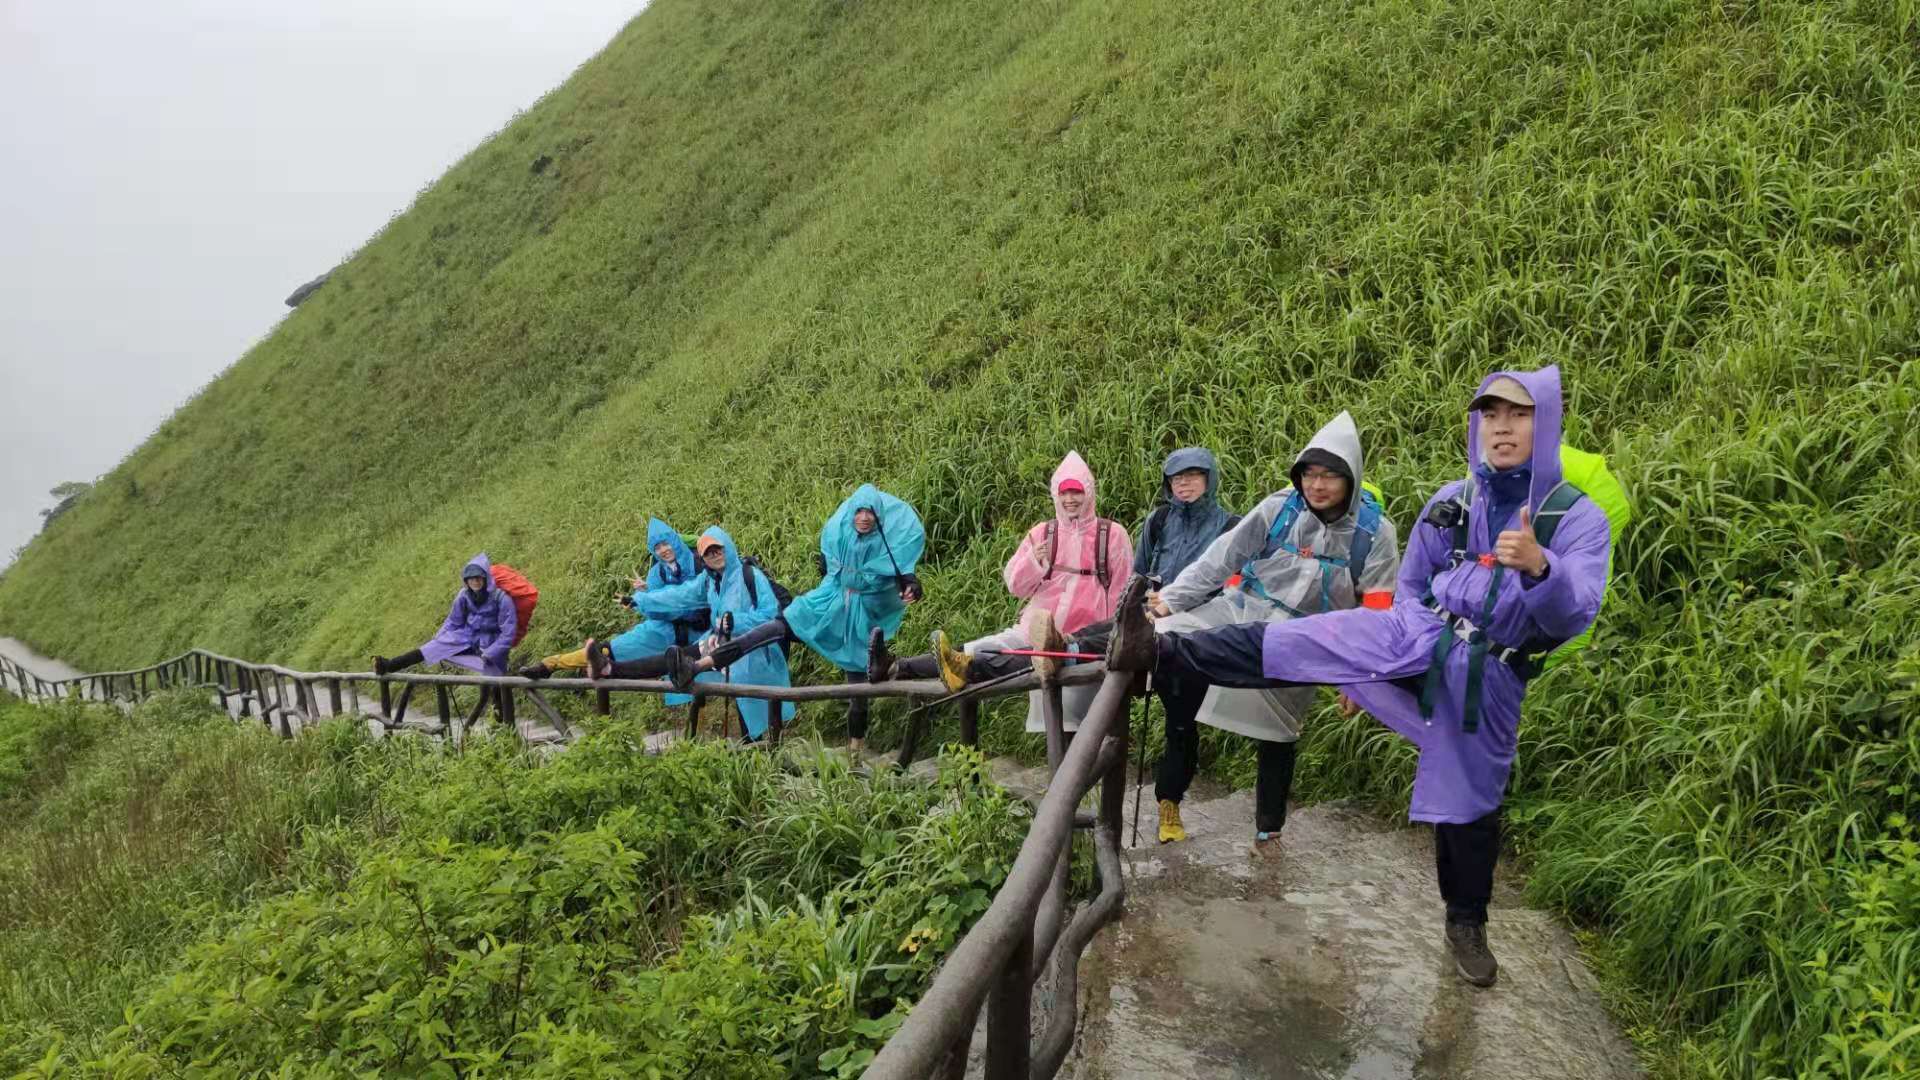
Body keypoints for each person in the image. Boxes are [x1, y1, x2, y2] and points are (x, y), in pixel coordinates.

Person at [1128, 366, 1611, 988]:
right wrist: (1367, 661)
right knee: (1297, 642)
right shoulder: (1451, 501)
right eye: (1490, 415)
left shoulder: (1573, 517)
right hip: (1418, 631)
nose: (1502, 427)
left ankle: (1466, 923)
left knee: (1469, 799)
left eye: (1518, 415)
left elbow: (1575, 611)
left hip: (1489, 670)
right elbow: (1409, 586)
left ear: (1544, 424)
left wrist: (1542, 569)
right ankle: (1159, 654)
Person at [1144, 413, 1400, 848]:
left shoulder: (1374, 535)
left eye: (1330, 475)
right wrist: (1172, 599)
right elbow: (1223, 557)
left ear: (1352, 478)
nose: (1317, 485)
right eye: (1309, 473)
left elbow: (1376, 610)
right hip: (1242, 613)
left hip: (1304, 640)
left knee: (1277, 734)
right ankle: (1170, 801)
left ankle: (1269, 834)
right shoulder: (1280, 507)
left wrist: (1360, 678)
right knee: (1169, 654)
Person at [641, 485, 925, 752]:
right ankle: (699, 664)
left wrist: (911, 589)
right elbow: (828, 567)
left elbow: (906, 579)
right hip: (825, 604)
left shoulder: (887, 551)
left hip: (858, 620)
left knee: (859, 689)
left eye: (870, 512)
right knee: (771, 629)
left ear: (879, 516)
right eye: (859, 511)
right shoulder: (841, 537)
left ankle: (855, 751)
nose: (863, 518)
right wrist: (640, 599)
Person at [873, 452, 1132, 734]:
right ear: (1055, 494)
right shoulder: (1042, 533)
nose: (1070, 499)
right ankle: (896, 666)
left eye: (1077, 492)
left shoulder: (1113, 535)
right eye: (1064, 492)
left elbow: (1123, 591)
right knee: (974, 650)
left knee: (1081, 723)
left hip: (1082, 637)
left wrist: (1110, 634)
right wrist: (1034, 561)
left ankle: (1071, 773)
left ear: (1089, 493)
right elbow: (1015, 585)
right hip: (1036, 629)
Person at [586, 527, 796, 742]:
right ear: (702, 557)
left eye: (717, 549)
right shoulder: (709, 580)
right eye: (708, 553)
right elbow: (678, 595)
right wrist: (641, 600)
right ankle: (610, 668)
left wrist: (736, 621)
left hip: (755, 649)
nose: (714, 555)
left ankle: (761, 752)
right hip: (722, 643)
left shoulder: (750, 575)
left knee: (752, 700)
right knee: (676, 661)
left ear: (728, 548)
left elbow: (770, 615)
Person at [519, 518, 715, 709]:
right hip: (665, 629)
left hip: (702, 630)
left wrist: (648, 598)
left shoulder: (699, 563)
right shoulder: (657, 573)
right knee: (610, 650)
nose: (663, 550)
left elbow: (689, 595)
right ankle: (550, 664)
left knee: (706, 676)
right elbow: (654, 605)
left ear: (674, 541)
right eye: (657, 548)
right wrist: (644, 597)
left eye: (665, 544)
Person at [373, 552, 518, 677]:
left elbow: (508, 633)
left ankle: (502, 709)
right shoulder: (464, 595)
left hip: (491, 641)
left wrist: (492, 652)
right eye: (471, 578)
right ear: (466, 580)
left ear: (485, 577)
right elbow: (454, 621)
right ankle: (389, 665)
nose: (475, 581)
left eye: (478, 578)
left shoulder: (502, 599)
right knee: (430, 648)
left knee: (497, 679)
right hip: (467, 636)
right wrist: (439, 637)